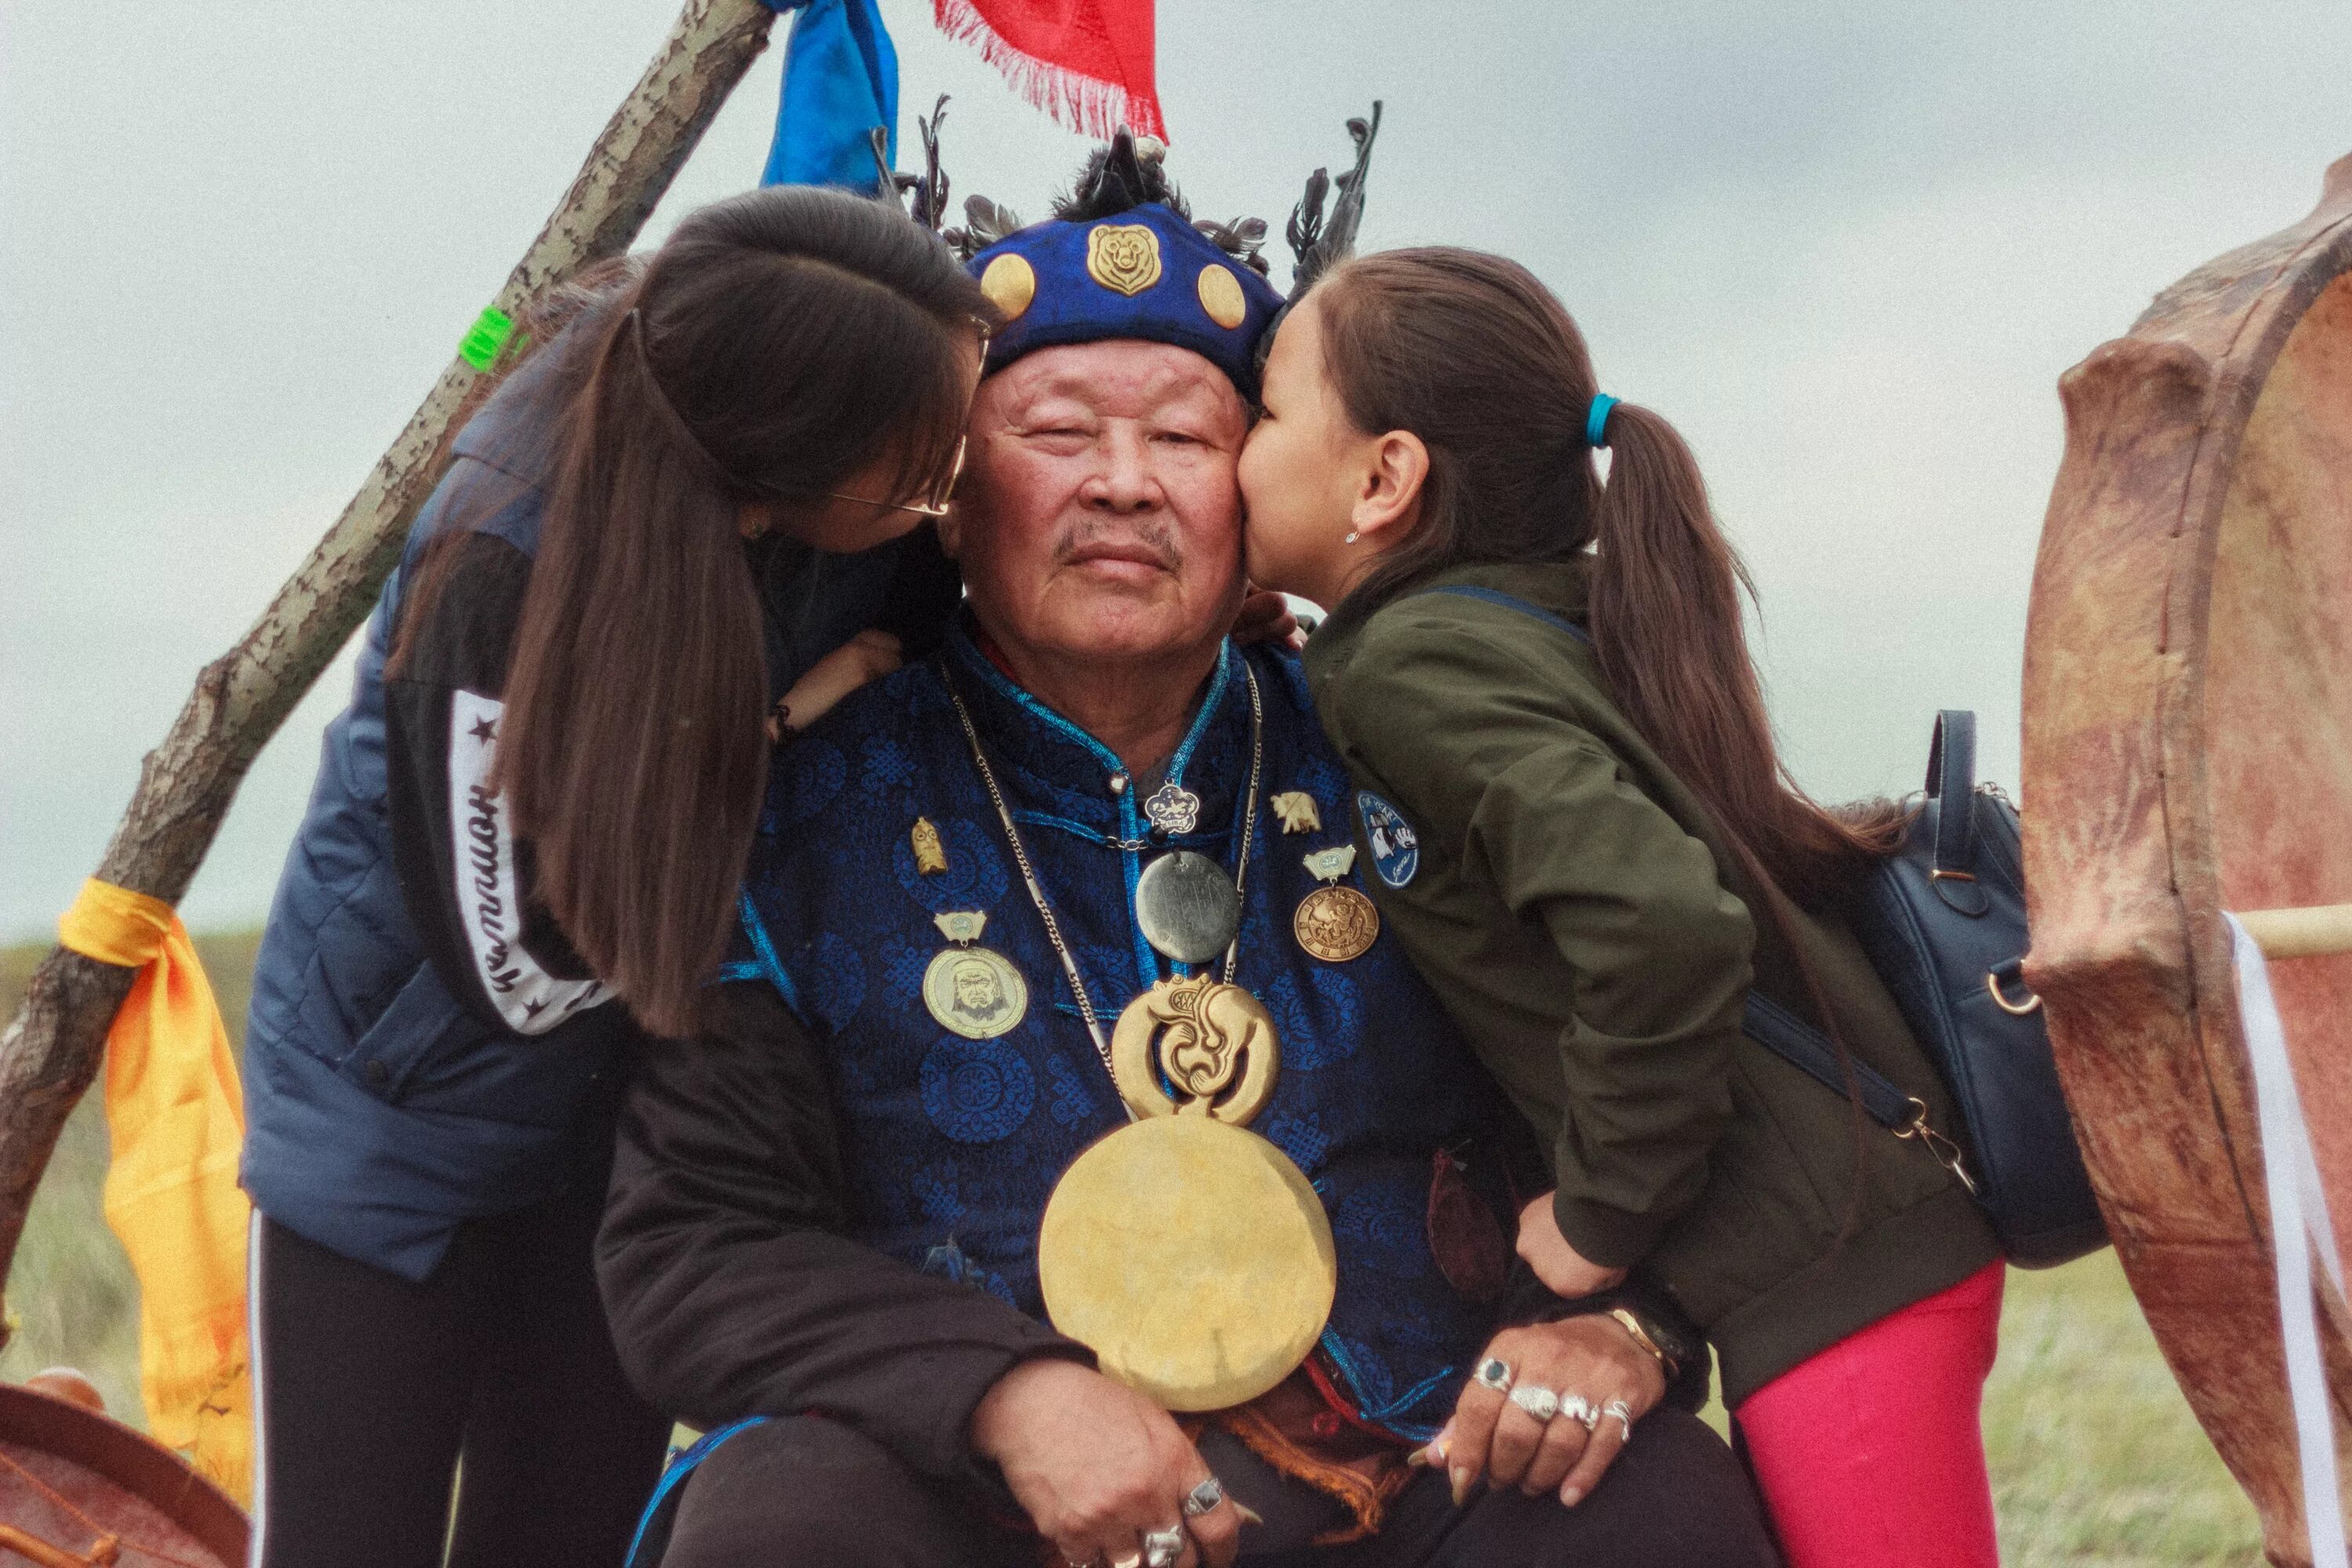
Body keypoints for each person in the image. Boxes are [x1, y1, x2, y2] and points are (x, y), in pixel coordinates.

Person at [597, 135, 1778, 1568]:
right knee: (781, 1526)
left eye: (1186, 439)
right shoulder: (799, 807)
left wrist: (1627, 1322)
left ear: (1272, 491)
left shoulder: (1397, 745)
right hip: (984, 1500)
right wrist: (1009, 1396)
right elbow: (694, 1247)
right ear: (950, 490)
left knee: (1652, 1505)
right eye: (1054, 435)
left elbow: (1662, 1043)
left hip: (1409, 1456)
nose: (1124, 485)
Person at [238, 186, 993, 1568]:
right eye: (919, 469)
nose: (945, 498)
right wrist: (781, 739)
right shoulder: (508, 557)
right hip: (405, 1117)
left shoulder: (822, 508)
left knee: (564, 1538)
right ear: (780, 457)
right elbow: (519, 972)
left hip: (629, 1123)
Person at [1236, 245, 2005, 1568]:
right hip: (1857, 1239)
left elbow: (1665, 923)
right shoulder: (1514, 622)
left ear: (1382, 478)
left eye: (1261, 412)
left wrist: (1602, 1211)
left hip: (1820, 1267)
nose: (1239, 451)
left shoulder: (1417, 665)